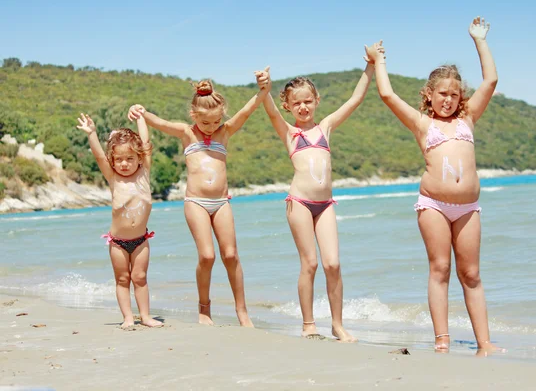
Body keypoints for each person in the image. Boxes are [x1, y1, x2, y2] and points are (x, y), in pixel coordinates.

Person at [365, 17, 503, 353]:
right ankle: (442, 340)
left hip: (468, 207)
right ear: (429, 94)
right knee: (440, 268)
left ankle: (484, 343)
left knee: (471, 274)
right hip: (434, 206)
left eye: (454, 94)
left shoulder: (467, 119)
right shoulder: (423, 123)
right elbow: (386, 93)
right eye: (442, 93)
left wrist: (479, 40)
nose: (448, 100)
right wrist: (378, 61)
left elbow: (491, 79)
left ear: (461, 97)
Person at [127, 69, 270, 327]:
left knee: (230, 255)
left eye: (216, 121)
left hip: (222, 202)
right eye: (205, 123)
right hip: (196, 203)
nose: (211, 127)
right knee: (207, 256)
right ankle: (204, 309)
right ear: (194, 115)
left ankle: (242, 311)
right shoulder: (186, 133)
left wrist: (262, 90)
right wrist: (141, 111)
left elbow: (247, 112)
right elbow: (159, 123)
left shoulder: (224, 132)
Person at [257, 56, 374, 342]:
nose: (303, 107)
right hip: (299, 202)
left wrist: (371, 66)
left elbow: (355, 99)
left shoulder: (326, 128)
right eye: (296, 103)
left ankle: (337, 324)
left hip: (325, 205)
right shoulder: (290, 132)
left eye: (308, 101)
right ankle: (308, 324)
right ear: (288, 106)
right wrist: (265, 88)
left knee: (332, 264)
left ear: (317, 100)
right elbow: (270, 111)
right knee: (309, 263)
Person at [76, 113, 162, 328]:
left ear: (139, 158)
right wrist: (92, 134)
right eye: (119, 159)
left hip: (141, 240)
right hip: (118, 243)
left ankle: (146, 316)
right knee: (123, 280)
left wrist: (141, 118)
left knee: (140, 278)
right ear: (112, 161)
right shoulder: (113, 178)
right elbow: (98, 157)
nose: (124, 164)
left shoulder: (143, 174)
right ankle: (127, 317)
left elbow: (146, 143)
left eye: (130, 158)